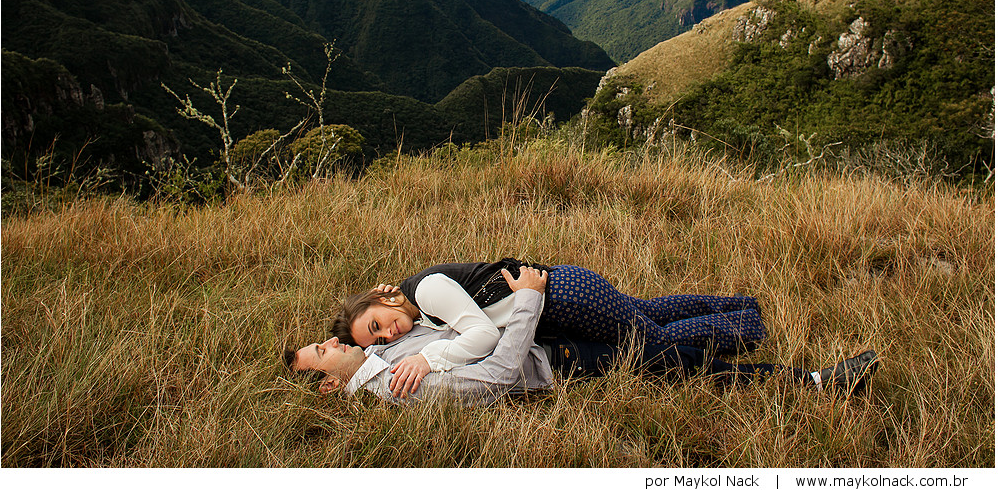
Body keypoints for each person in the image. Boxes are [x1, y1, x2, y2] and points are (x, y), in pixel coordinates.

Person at [288, 267, 879, 404]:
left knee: (658, 342)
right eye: (326, 351)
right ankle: (812, 376)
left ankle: (745, 326)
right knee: (667, 354)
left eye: (331, 339)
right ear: (326, 385)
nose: (336, 344)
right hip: (556, 352)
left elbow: (459, 336)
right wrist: (529, 301)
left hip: (550, 314)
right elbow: (495, 372)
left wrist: (530, 302)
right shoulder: (401, 384)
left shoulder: (392, 353)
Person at [331, 258, 767, 397]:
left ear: (384, 298)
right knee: (648, 313)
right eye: (380, 341)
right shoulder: (414, 306)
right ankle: (744, 311)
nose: (390, 336)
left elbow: (482, 335)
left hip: (565, 298)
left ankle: (746, 330)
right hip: (558, 296)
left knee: (653, 339)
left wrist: (427, 358)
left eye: (378, 324)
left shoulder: (425, 292)